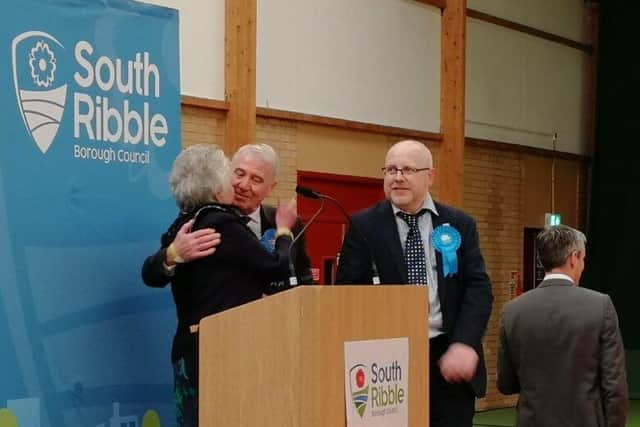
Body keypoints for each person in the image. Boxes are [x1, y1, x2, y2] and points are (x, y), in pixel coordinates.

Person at [336, 139, 493, 427]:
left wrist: (465, 343)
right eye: (391, 169)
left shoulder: (459, 224)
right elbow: (346, 293)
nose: (397, 177)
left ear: (429, 176)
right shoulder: (363, 225)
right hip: (386, 362)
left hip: (447, 358)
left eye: (407, 169)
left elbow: (477, 288)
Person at [145, 144, 298, 427]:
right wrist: (285, 229)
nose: (239, 184)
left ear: (270, 186)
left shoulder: (187, 222)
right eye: (234, 174)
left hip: (197, 353)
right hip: (223, 354)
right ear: (217, 188)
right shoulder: (221, 222)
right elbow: (276, 266)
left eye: (255, 179)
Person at [497, 225, 628, 427]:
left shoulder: (513, 310)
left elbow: (506, 383)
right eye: (583, 258)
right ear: (574, 257)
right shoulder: (600, 306)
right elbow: (614, 385)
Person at [141, 143, 312, 287]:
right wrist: (172, 255)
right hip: (213, 324)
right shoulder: (200, 219)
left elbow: (303, 279)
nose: (244, 185)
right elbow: (151, 275)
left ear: (271, 188)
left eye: (256, 179)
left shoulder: (288, 223)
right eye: (239, 174)